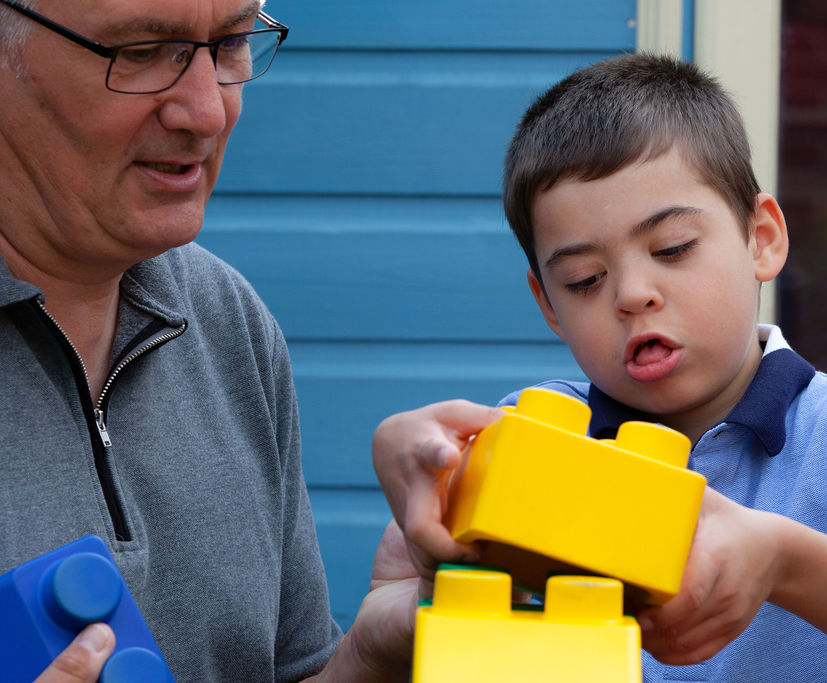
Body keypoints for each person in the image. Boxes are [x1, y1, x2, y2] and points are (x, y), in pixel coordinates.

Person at [374, 54, 827, 681]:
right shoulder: (542, 436)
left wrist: (779, 558)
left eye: (673, 249)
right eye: (585, 281)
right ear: (547, 305)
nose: (632, 294)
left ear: (762, 238)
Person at [0, 1, 506, 680]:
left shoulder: (226, 317)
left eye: (232, 43)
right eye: (146, 50)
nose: (208, 112)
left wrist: (370, 653)